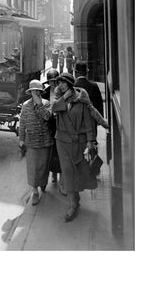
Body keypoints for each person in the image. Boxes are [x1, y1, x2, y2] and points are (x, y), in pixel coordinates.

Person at [52, 73, 98, 222]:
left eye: (64, 83)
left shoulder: (82, 100)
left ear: (70, 84)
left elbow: (88, 122)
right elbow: (54, 108)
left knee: (78, 171)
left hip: (79, 141)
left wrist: (90, 141)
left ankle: (76, 198)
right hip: (62, 141)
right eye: (59, 83)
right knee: (67, 173)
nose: (61, 85)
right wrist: (64, 97)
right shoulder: (59, 99)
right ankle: (72, 205)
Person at [18, 79, 53, 206]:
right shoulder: (25, 106)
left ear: (41, 92)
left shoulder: (47, 103)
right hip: (31, 142)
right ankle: (35, 192)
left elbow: (47, 117)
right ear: (30, 92)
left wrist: (40, 105)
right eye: (33, 91)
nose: (36, 93)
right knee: (32, 168)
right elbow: (22, 124)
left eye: (38, 91)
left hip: (45, 142)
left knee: (43, 167)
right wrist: (21, 139)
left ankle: (43, 183)